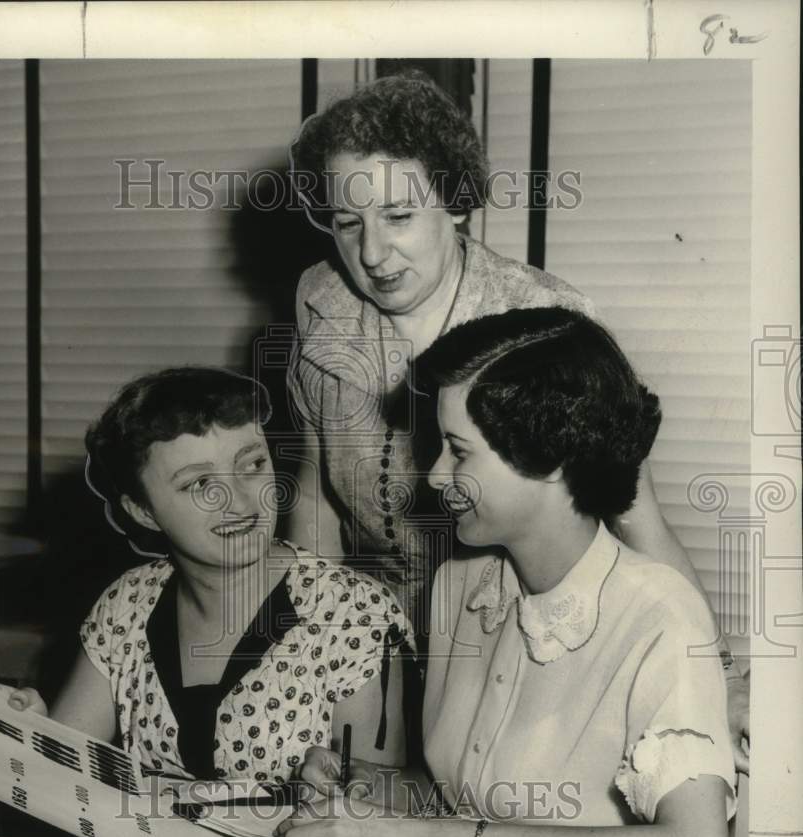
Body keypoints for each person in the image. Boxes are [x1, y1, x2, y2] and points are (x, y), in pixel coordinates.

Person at [285, 70, 749, 769]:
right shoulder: (322, 301)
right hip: (365, 651)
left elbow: (630, 512)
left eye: (399, 217)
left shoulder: (544, 325)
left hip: (506, 655)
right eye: (347, 223)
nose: (371, 254)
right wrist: (305, 649)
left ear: (458, 202)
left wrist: (707, 679)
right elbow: (317, 493)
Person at [273, 308, 736, 837]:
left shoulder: (660, 615)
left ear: (548, 460)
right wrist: (374, 789)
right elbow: (468, 800)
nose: (435, 476)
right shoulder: (459, 586)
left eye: (459, 452)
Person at [8, 367, 411, 784]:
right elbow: (59, 778)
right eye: (200, 483)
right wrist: (33, 733)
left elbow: (379, 805)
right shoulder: (125, 605)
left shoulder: (354, 613)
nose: (238, 501)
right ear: (142, 511)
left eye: (252, 464)